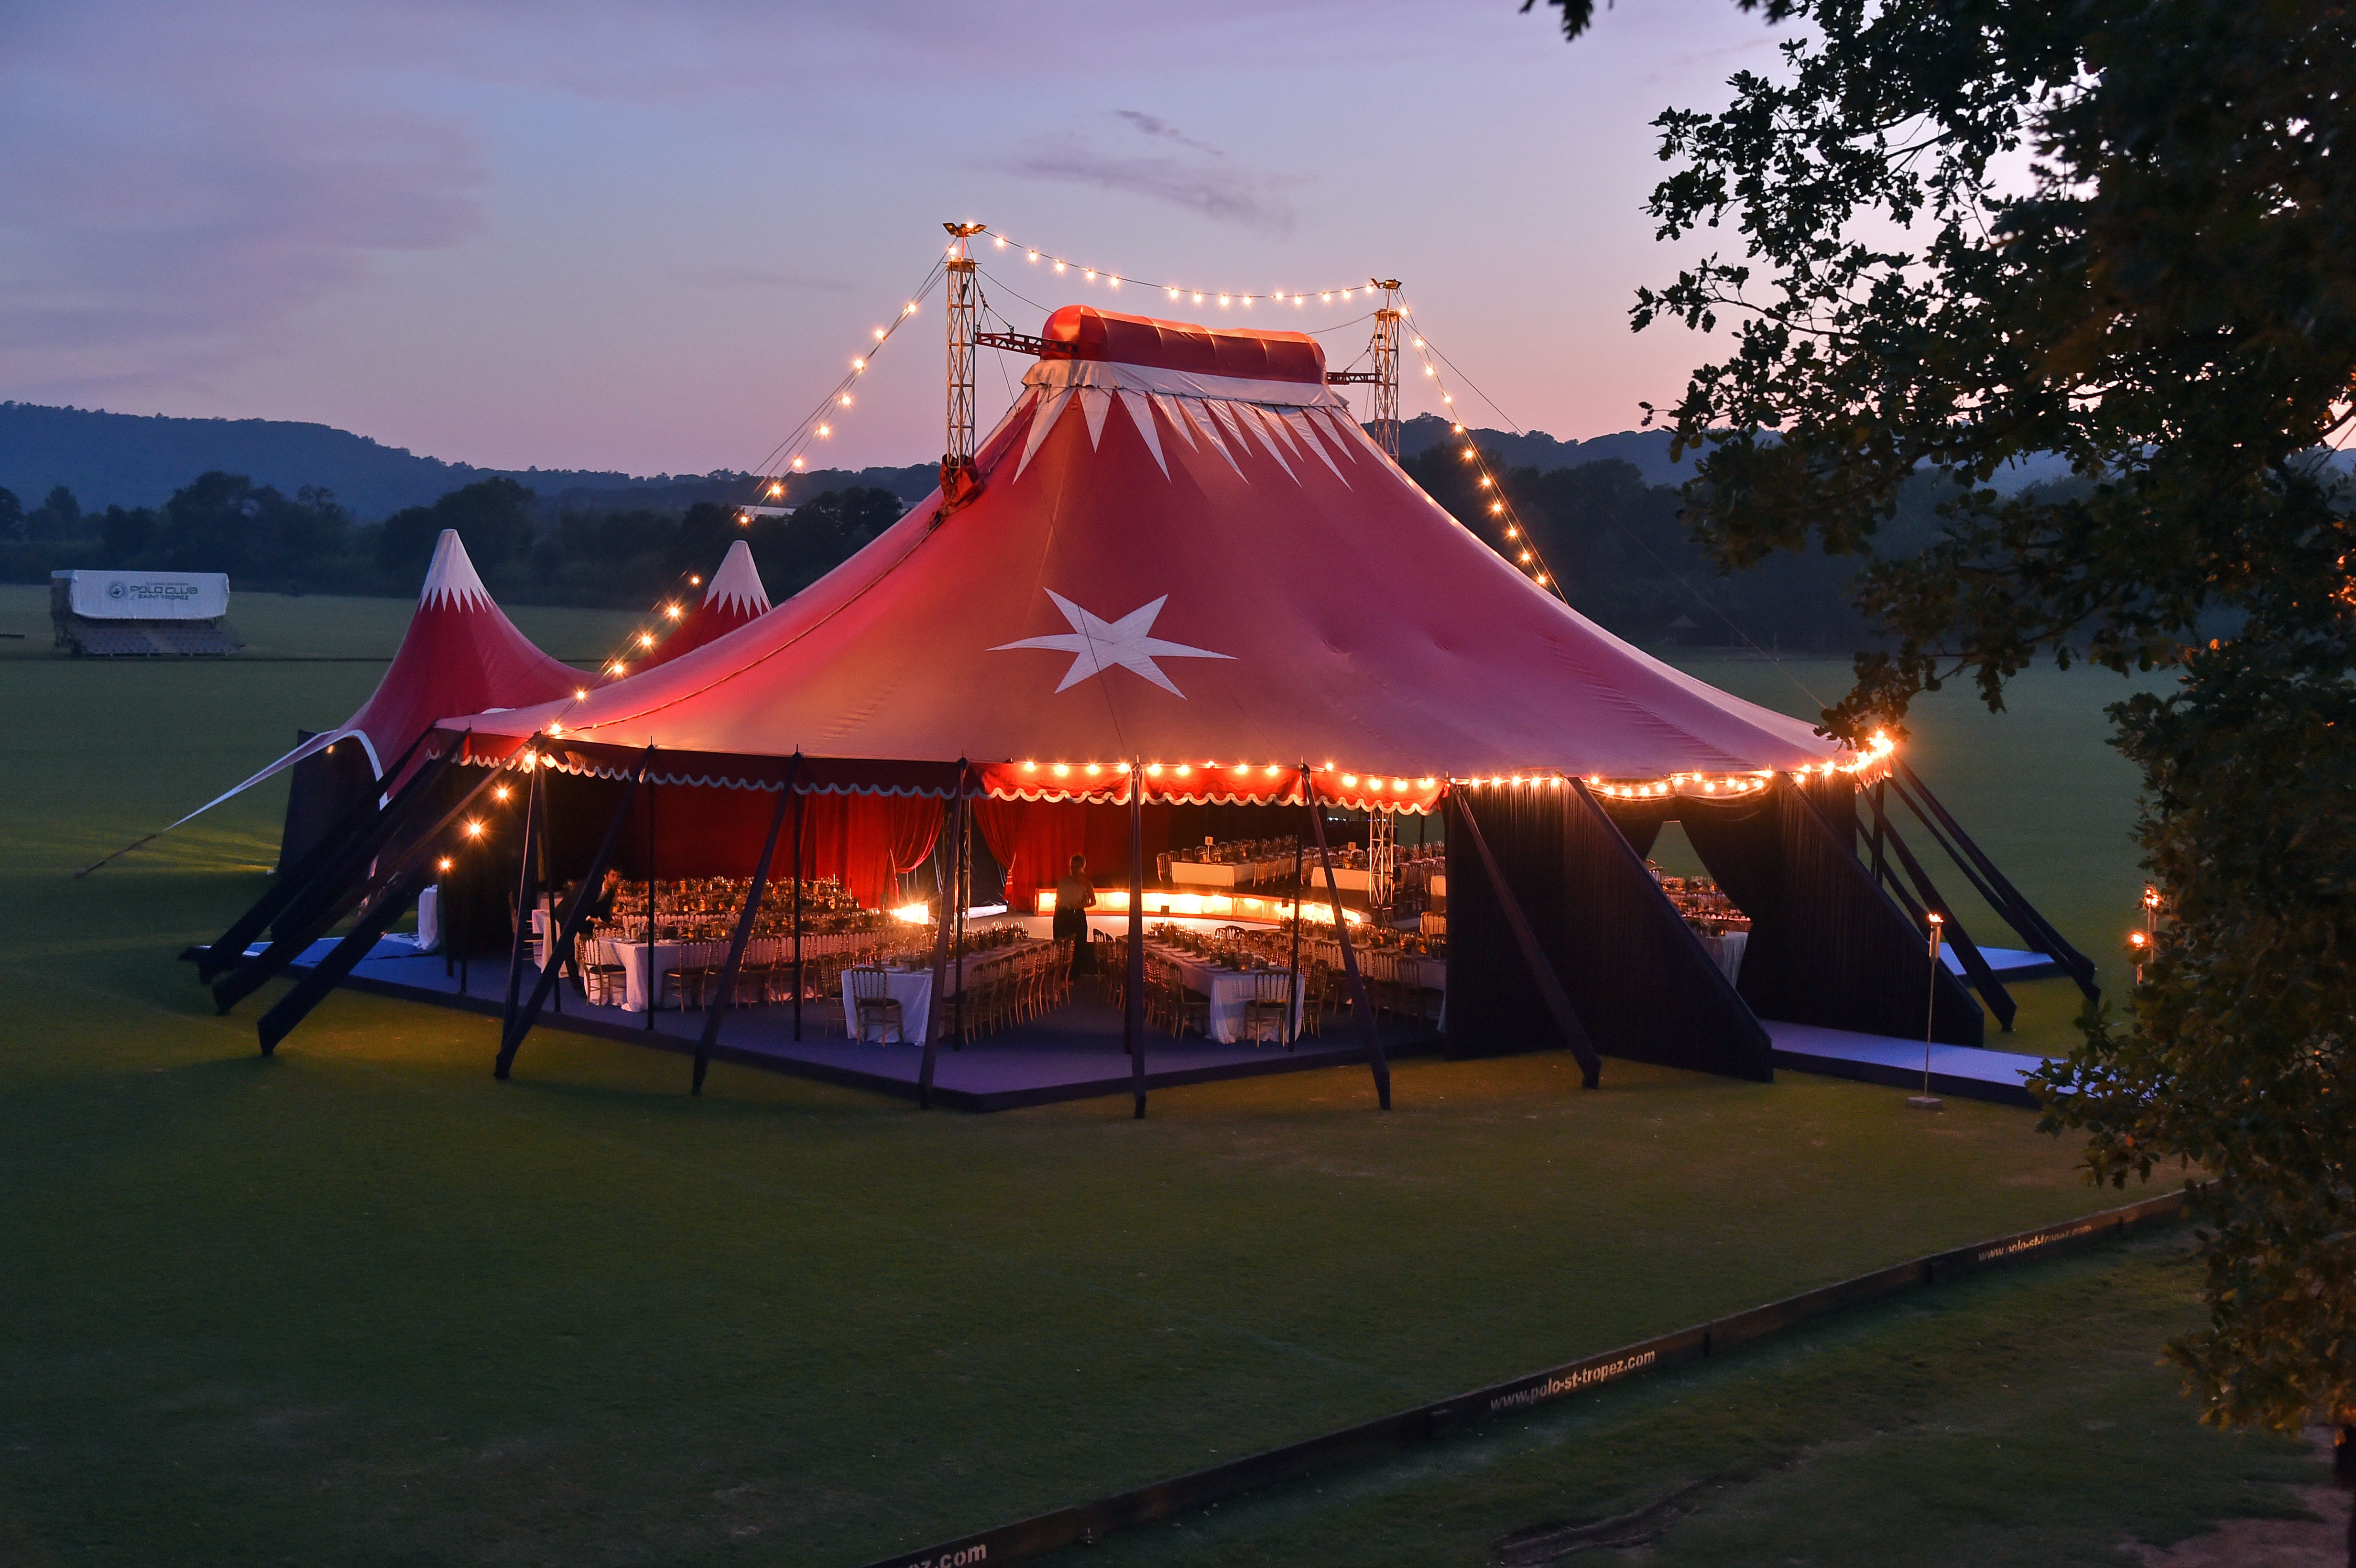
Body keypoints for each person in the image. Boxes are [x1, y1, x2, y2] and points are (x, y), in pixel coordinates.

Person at [1053, 853, 1097, 975]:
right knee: (1062, 945)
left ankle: (1075, 974)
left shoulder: (1086, 883)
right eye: (1072, 866)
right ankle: (1061, 973)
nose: (1074, 869)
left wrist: (1081, 905)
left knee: (1079, 945)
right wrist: (1056, 917)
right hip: (1062, 915)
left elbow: (1093, 902)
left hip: (1077, 916)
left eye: (1077, 867)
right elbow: (1059, 900)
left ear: (1082, 867)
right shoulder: (1064, 881)